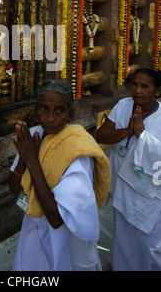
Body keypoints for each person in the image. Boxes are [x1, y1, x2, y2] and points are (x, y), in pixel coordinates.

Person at [8, 80, 110, 271]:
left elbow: (56, 220)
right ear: (36, 110)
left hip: (64, 237)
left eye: (59, 111)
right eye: (44, 109)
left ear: (70, 112)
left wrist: (32, 161)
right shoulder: (33, 135)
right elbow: (14, 190)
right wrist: (23, 158)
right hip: (33, 227)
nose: (50, 118)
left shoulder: (77, 149)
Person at [96, 67, 161, 271]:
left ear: (157, 91)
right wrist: (126, 131)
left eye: (144, 86)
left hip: (150, 193)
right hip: (122, 186)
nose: (138, 90)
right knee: (123, 237)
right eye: (134, 84)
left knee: (149, 243)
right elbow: (101, 136)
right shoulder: (123, 105)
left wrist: (142, 135)